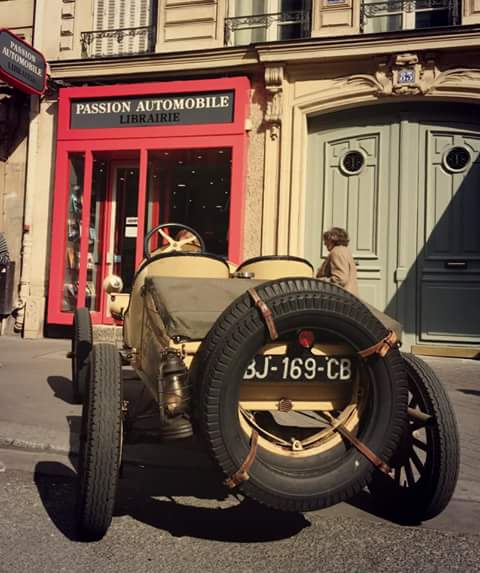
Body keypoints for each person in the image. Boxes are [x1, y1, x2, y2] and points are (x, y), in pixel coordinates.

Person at [316, 227, 358, 296]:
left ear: (333, 239)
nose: (324, 243)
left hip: (340, 298)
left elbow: (340, 279)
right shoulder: (345, 251)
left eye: (326, 240)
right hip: (347, 297)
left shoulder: (337, 252)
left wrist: (318, 281)